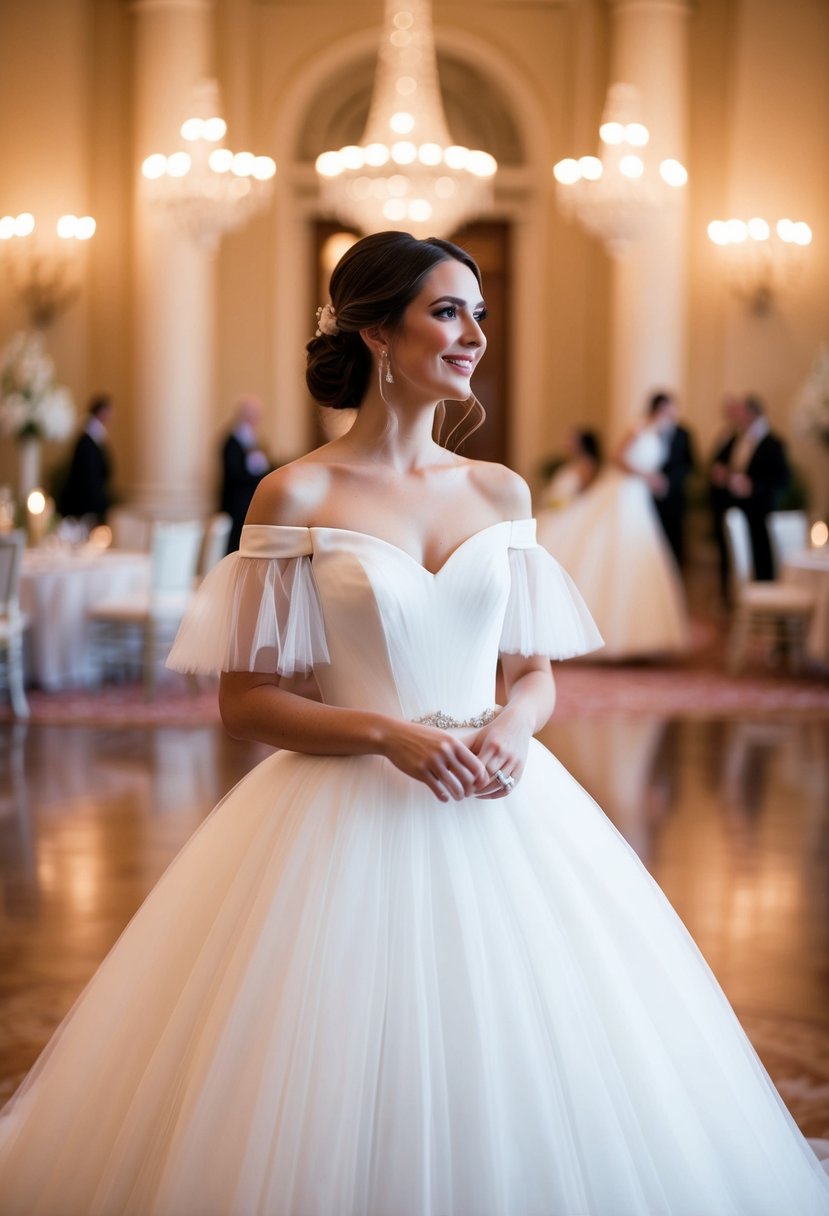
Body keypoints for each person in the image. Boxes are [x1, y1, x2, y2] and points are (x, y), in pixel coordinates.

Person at [1, 232, 828, 1216]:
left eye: (479, 311)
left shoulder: (499, 490)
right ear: (376, 332)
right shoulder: (294, 492)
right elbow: (245, 699)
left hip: (502, 799)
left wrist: (515, 729)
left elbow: (531, 673)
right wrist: (390, 736)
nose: (473, 333)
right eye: (447, 311)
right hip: (340, 807)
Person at [537, 405, 691, 659]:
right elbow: (617, 456)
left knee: (641, 551)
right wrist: (648, 477)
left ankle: (644, 632)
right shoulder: (638, 427)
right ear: (659, 410)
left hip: (639, 496)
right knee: (612, 546)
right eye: (669, 411)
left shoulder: (661, 436)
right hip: (627, 491)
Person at [709, 392, 792, 599]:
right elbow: (719, 462)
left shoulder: (774, 443)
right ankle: (731, 598)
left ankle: (765, 599)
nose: (738, 416)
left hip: (761, 509)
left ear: (752, 414)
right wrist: (721, 472)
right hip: (734, 506)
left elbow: (782, 480)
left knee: (763, 555)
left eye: (742, 412)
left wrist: (753, 486)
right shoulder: (736, 437)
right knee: (732, 556)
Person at [647, 390, 695, 568]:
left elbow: (690, 464)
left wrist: (668, 481)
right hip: (649, 495)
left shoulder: (684, 433)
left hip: (674, 495)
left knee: (675, 539)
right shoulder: (648, 431)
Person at [219, 394, 273, 552]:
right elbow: (234, 473)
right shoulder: (232, 441)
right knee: (234, 546)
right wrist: (257, 476)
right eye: (254, 415)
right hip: (236, 504)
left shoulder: (256, 440)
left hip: (251, 501)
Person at [56, 393, 115, 524]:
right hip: (86, 503)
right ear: (101, 412)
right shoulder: (87, 440)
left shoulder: (95, 435)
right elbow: (87, 474)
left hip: (92, 499)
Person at [540, 427, 602, 508]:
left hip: (571, 508)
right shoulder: (572, 463)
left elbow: (588, 493)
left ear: (582, 444)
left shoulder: (586, 466)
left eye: (573, 440)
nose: (568, 442)